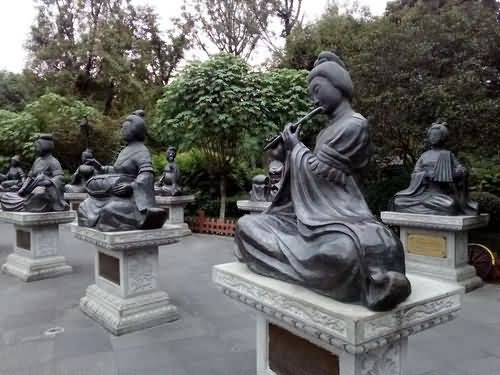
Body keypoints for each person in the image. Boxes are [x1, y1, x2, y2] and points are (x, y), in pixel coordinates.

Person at [235, 52, 411, 311]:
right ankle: (310, 265)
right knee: (247, 224)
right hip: (311, 216)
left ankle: (364, 277)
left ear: (337, 84)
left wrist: (296, 148)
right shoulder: (327, 131)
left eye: (317, 90)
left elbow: (321, 175)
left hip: (343, 215)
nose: (314, 99)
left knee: (345, 251)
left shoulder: (354, 125)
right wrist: (286, 155)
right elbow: (308, 176)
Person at [78, 111, 167, 231]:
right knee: (84, 206)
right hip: (113, 192)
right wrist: (98, 166)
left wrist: (131, 186)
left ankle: (134, 220)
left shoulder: (141, 150)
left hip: (131, 197)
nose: (122, 131)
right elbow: (116, 171)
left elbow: (147, 175)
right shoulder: (125, 151)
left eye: (125, 128)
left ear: (135, 130)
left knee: (109, 210)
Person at [390, 121, 478, 215]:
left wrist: (461, 172)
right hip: (422, 193)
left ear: (443, 137)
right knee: (398, 202)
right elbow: (415, 174)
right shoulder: (424, 155)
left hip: (440, 194)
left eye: (436, 135)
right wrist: (426, 175)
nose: (433, 137)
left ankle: (425, 206)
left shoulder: (448, 155)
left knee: (450, 205)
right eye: (431, 135)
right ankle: (424, 205)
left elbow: (460, 170)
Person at [1, 134, 68, 212]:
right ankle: (26, 204)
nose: (36, 149)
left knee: (40, 193)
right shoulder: (37, 161)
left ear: (45, 147)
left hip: (44, 191)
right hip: (30, 190)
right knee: (6, 195)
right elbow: (30, 177)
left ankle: (25, 204)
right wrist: (22, 189)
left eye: (37, 147)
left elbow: (60, 178)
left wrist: (46, 182)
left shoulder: (53, 161)